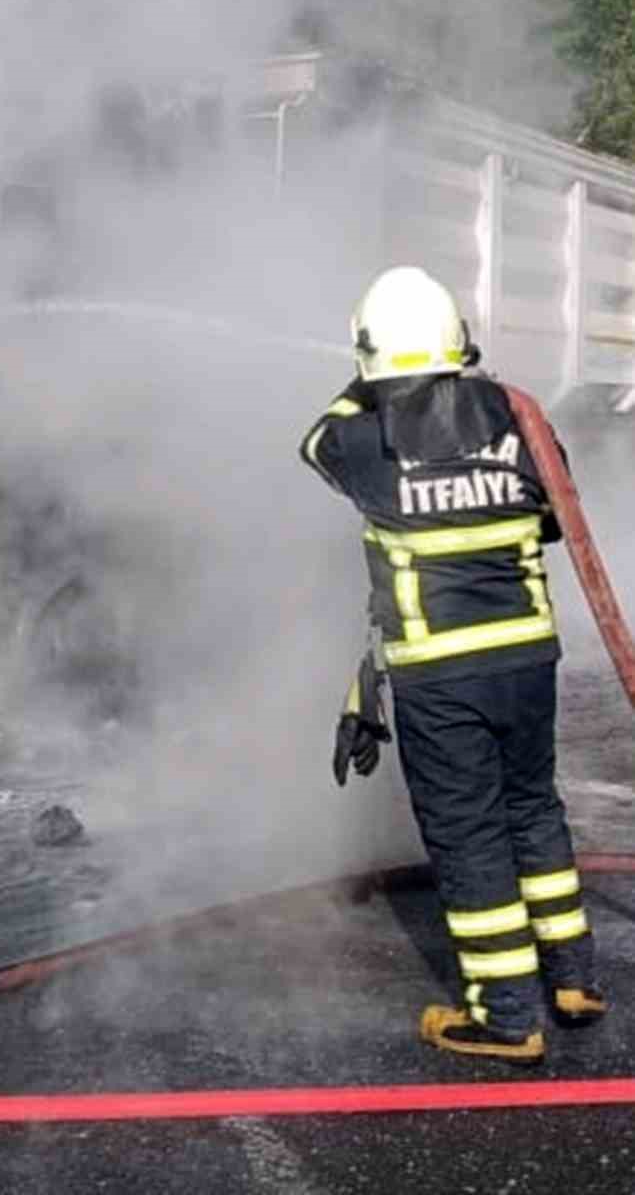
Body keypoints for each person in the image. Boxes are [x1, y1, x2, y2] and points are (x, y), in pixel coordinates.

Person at [300, 265, 605, 1065]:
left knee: (467, 834)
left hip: (439, 673)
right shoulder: (512, 414)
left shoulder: (360, 436)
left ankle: (506, 1016)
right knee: (531, 807)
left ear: (369, 355)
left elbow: (313, 442)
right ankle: (571, 978)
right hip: (526, 658)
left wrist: (365, 382)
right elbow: (550, 516)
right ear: (457, 342)